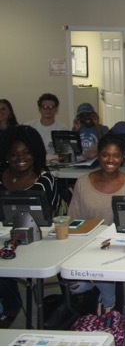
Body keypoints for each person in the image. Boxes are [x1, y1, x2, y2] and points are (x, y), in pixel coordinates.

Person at [66, 135, 125, 313]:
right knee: (74, 285)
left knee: (96, 270)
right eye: (105, 155)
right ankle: (97, 286)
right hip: (86, 243)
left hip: (116, 246)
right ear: (98, 156)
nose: (110, 160)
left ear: (122, 158)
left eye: (116, 156)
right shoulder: (82, 182)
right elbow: (73, 221)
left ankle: (109, 301)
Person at [0, 125, 57, 328]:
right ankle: (9, 305)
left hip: (39, 240)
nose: (20, 157)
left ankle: (11, 306)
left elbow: (45, 221)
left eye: (26, 152)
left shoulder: (44, 181)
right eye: (14, 154)